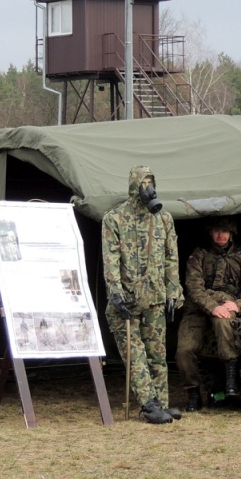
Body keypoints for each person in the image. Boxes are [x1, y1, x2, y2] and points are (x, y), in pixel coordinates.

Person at [102, 164, 184, 424]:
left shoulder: (163, 219)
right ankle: (149, 405)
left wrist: (173, 292)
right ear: (134, 185)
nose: (149, 188)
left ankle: (162, 403)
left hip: (156, 298)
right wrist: (115, 293)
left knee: (157, 355)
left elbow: (172, 258)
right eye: (144, 183)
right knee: (135, 354)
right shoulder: (114, 219)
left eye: (151, 182)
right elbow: (111, 260)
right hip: (127, 301)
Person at [176, 216, 241, 412]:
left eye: (225, 231)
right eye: (217, 230)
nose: (221, 235)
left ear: (231, 233)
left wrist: (238, 304)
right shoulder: (199, 256)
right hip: (198, 309)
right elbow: (193, 287)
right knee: (184, 349)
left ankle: (231, 376)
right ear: (210, 232)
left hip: (227, 306)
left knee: (223, 322)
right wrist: (212, 306)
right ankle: (193, 393)